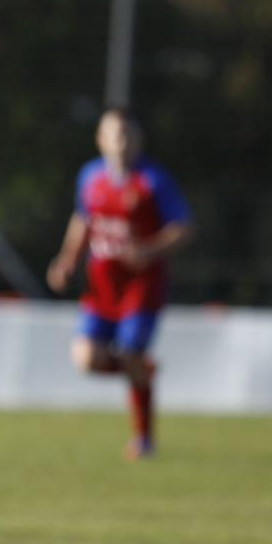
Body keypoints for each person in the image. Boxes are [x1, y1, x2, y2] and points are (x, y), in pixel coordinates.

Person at [47, 106, 192, 459]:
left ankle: (143, 440)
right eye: (114, 135)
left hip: (140, 291)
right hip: (100, 289)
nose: (121, 142)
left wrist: (149, 250)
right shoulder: (90, 177)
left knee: (129, 354)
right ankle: (141, 370)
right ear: (100, 140)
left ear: (139, 140)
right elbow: (82, 219)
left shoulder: (152, 181)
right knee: (84, 359)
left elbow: (184, 228)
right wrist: (67, 259)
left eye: (127, 135)